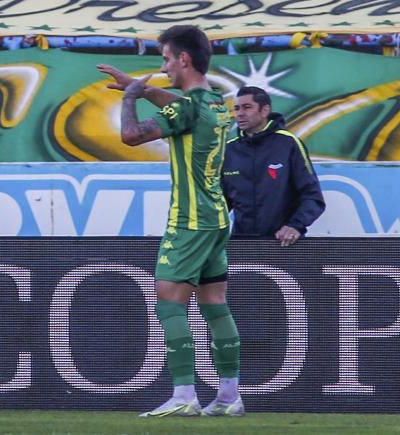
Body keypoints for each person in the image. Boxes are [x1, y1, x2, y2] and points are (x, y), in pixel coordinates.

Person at [98, 25, 243, 417]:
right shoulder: (215, 103)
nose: (162, 67)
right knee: (215, 304)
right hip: (216, 218)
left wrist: (131, 97)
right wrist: (143, 88)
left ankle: (183, 396)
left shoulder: (188, 106)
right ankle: (229, 396)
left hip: (189, 220)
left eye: (165, 58)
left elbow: (130, 135)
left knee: (169, 301)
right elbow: (180, 107)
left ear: (184, 59)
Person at [222, 86, 325, 245]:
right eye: (236, 108)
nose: (240, 113)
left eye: (247, 107)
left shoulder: (289, 143)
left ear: (264, 110)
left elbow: (313, 196)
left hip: (283, 244)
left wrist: (294, 226)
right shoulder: (230, 149)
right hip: (241, 243)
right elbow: (220, 202)